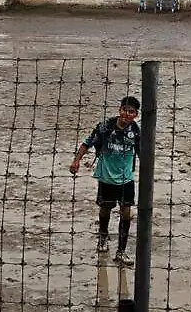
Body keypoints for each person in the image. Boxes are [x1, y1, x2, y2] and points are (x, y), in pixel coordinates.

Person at [70, 96, 141, 266]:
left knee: (126, 213)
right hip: (106, 178)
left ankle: (121, 251)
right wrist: (76, 161)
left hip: (126, 180)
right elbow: (87, 143)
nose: (127, 114)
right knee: (105, 210)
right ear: (119, 110)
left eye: (131, 111)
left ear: (136, 115)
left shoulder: (136, 131)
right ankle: (103, 237)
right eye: (125, 109)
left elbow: (142, 153)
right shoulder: (105, 127)